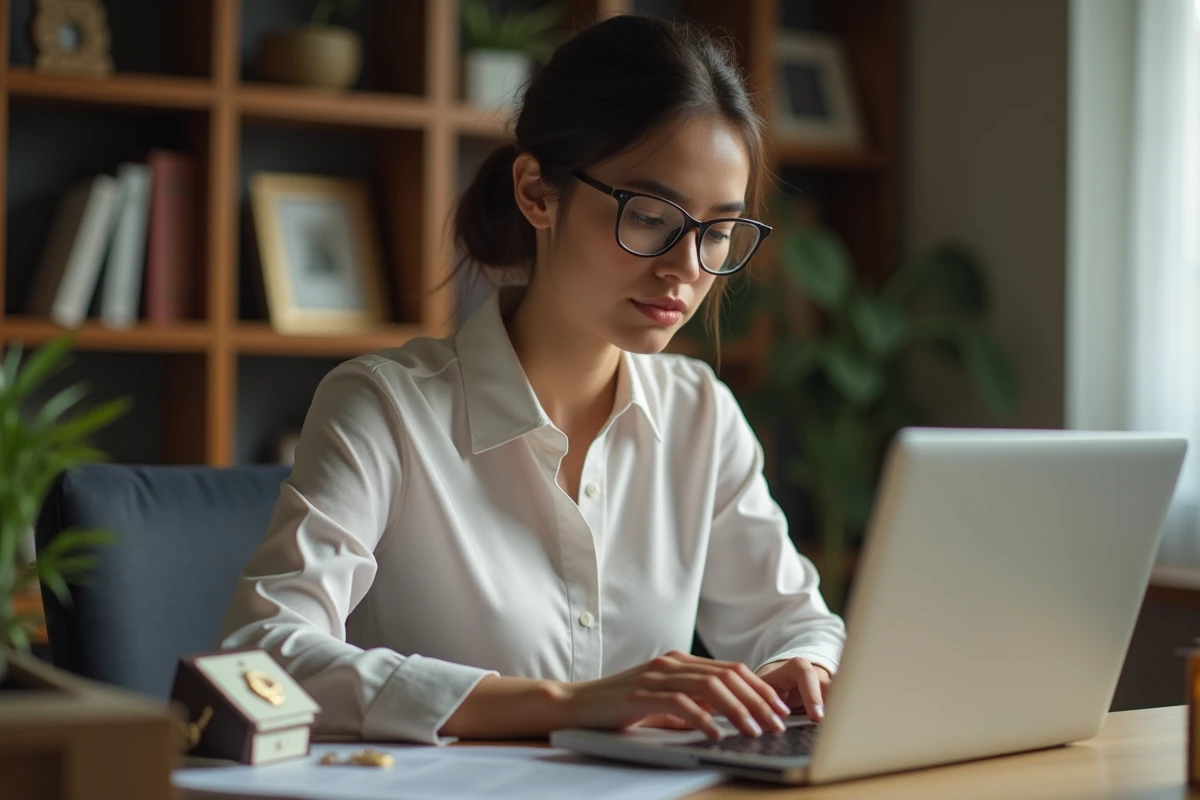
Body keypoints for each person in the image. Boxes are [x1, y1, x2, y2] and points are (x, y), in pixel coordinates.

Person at [219, 13, 846, 746]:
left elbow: (793, 621)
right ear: (538, 193)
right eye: (650, 216)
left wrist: (803, 665)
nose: (686, 268)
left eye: (717, 231)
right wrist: (566, 703)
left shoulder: (699, 415)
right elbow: (263, 655)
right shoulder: (386, 406)